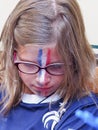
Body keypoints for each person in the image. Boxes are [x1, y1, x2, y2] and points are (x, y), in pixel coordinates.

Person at [0, 0, 98, 130]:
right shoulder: (3, 97)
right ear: (13, 55)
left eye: (56, 66)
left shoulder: (85, 114)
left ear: (75, 60)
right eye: (29, 65)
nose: (42, 80)